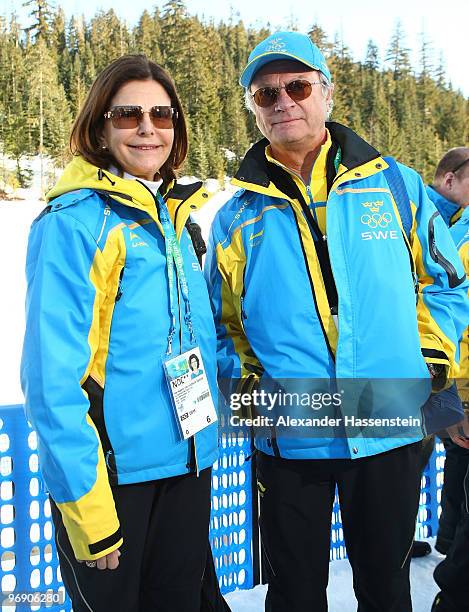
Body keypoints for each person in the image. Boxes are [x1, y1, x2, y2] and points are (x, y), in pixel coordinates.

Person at [204, 31, 469, 612]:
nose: (283, 102)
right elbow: (221, 326)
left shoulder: (396, 187)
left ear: (325, 92)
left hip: (390, 420)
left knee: (385, 585)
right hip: (289, 434)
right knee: (294, 591)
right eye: (264, 93)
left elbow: (448, 282)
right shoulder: (235, 218)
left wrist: (431, 357)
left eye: (297, 86)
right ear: (253, 108)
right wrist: (250, 389)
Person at [21, 55, 223, 612]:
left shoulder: (181, 220)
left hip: (187, 467)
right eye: (128, 113)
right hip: (114, 481)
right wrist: (89, 512)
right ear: (99, 125)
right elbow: (52, 382)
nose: (147, 126)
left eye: (162, 114)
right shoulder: (76, 223)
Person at [426, 148, 469, 556]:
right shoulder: (427, 220)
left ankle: (446, 540)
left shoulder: (454, 222)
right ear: (450, 179)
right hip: (438, 370)